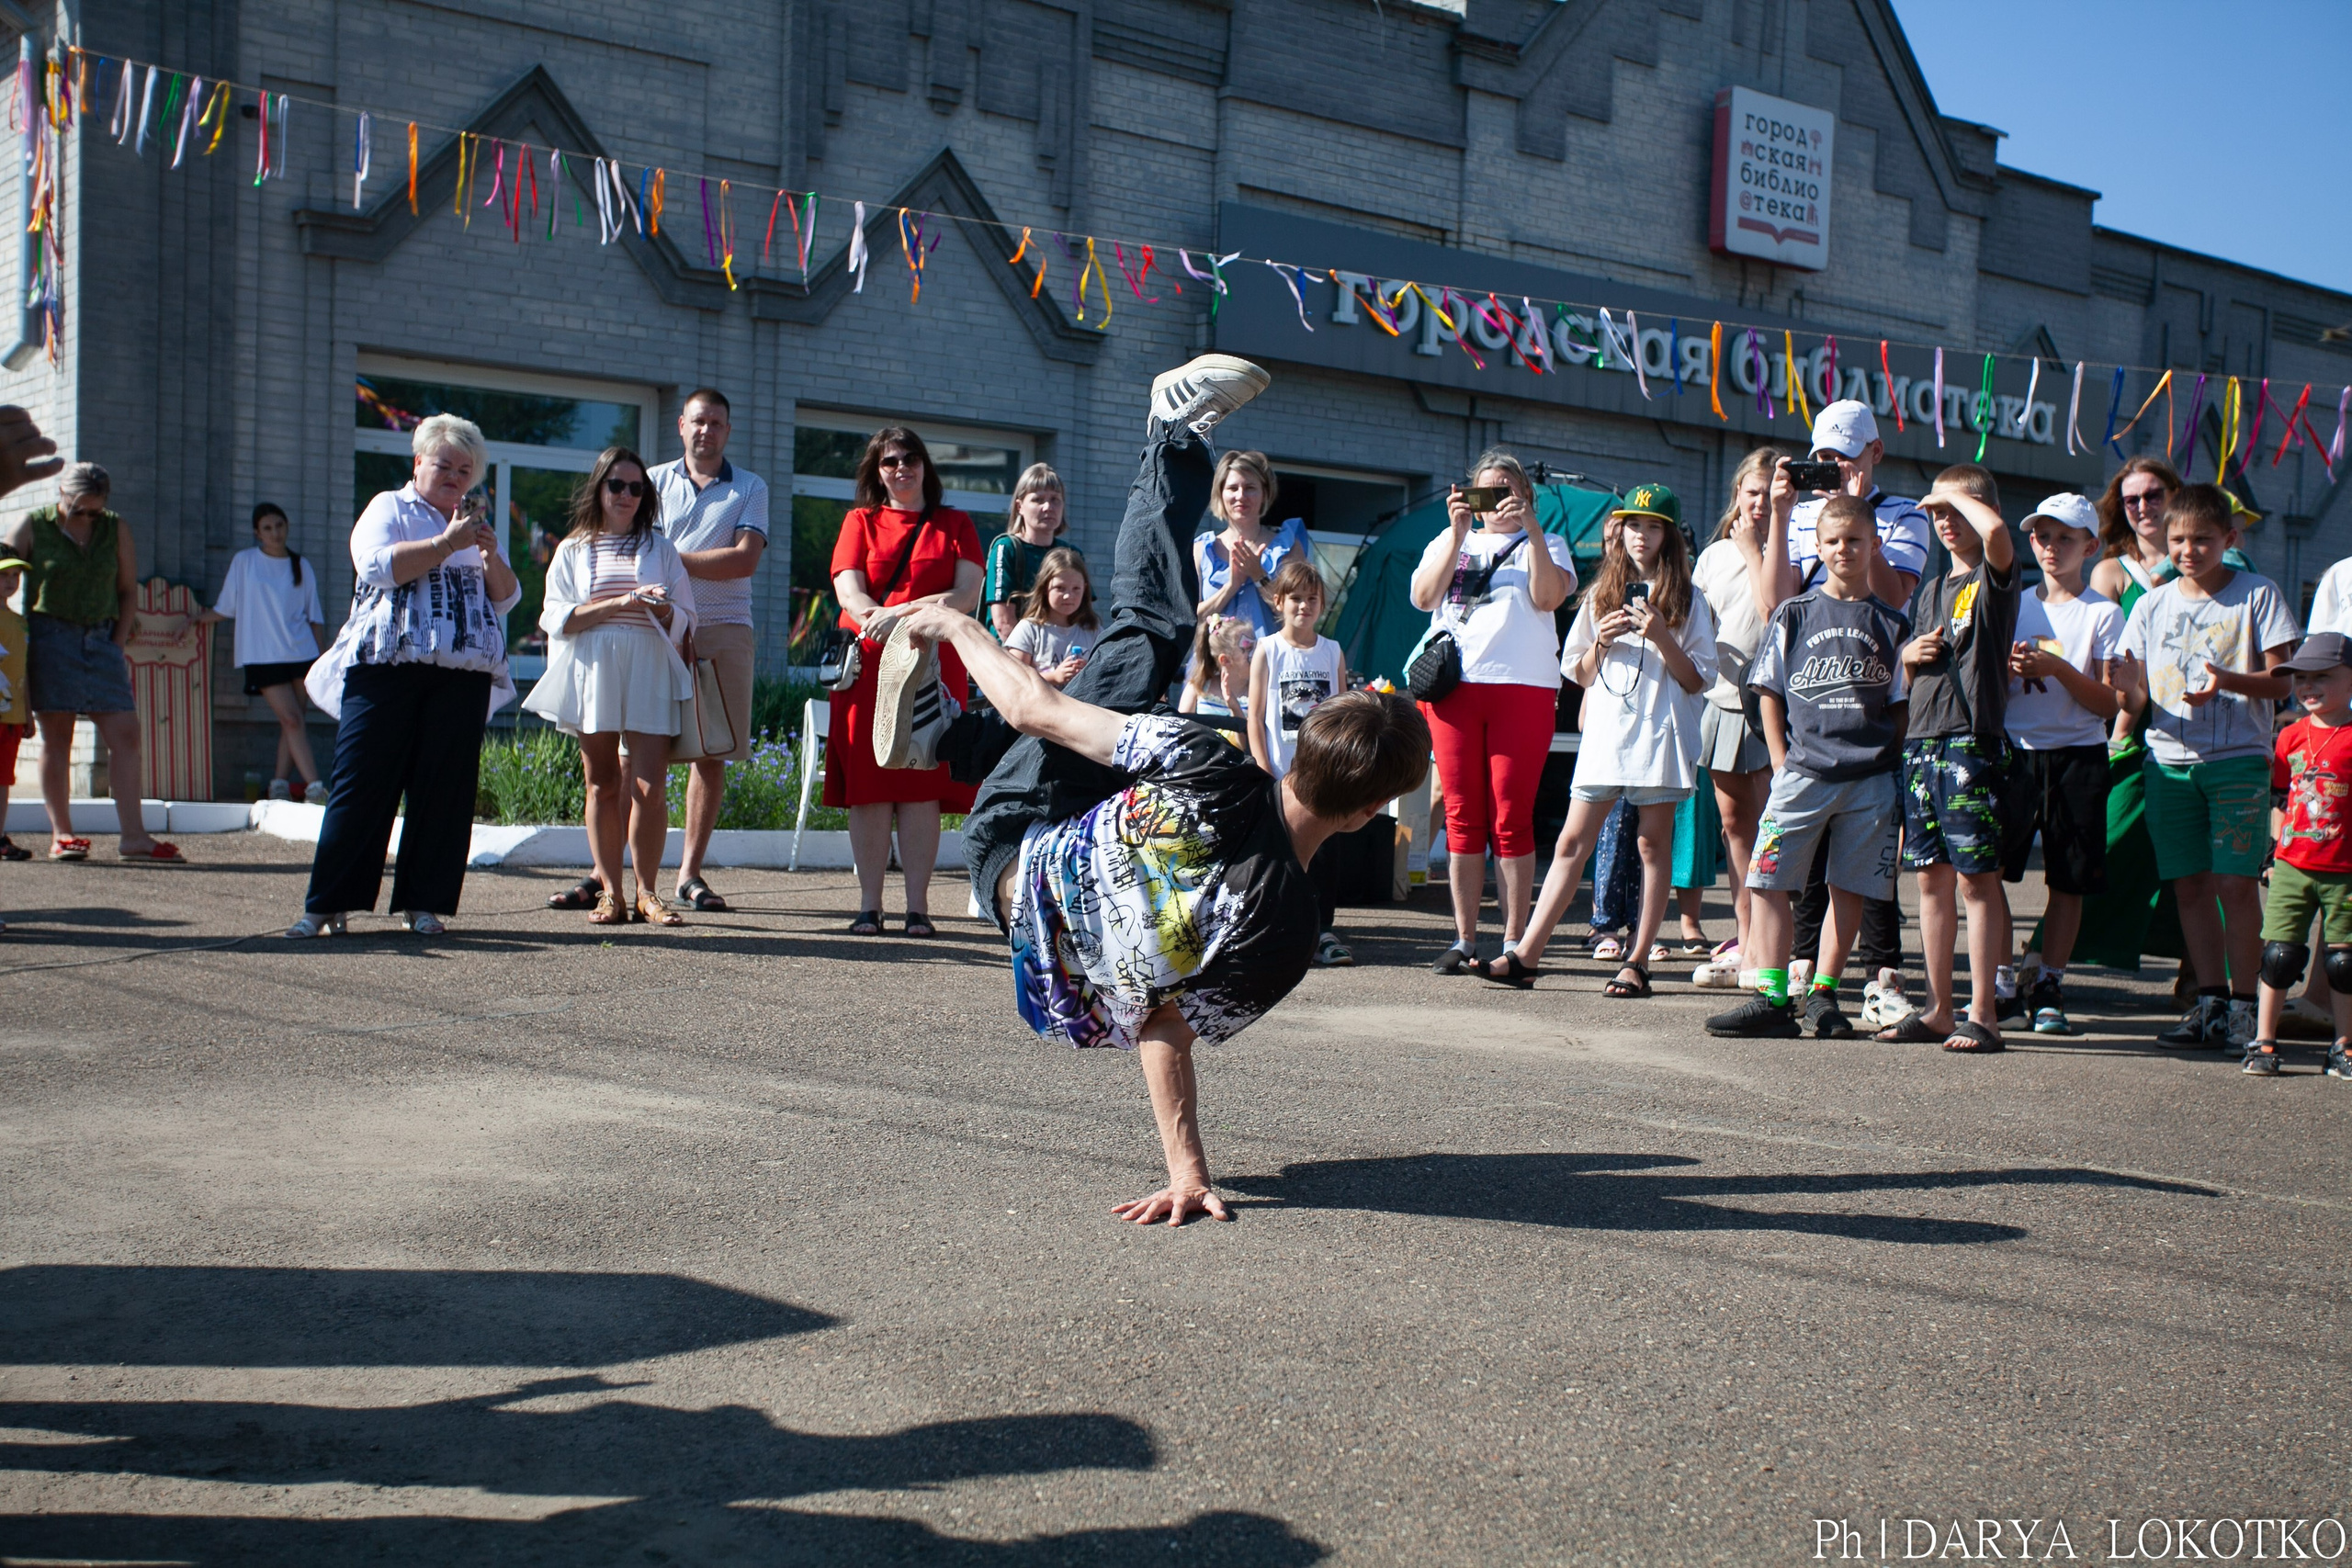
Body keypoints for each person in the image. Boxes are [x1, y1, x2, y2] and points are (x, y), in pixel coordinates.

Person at [878, 353, 1428, 1226]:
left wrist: (949, 623)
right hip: (1036, 919)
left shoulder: (1213, 764)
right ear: (1368, 814)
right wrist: (1187, 1170)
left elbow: (1034, 708)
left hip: (1015, 839)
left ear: (1305, 744)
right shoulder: (1291, 931)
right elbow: (1165, 1022)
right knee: (1142, 661)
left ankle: (1170, 433)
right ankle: (941, 737)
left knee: (1146, 636)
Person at [288, 414, 520, 937]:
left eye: (464, 470)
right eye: (444, 465)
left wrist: (486, 552)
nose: (454, 477)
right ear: (418, 463)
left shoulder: (472, 525)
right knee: (361, 784)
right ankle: (326, 905)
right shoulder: (389, 507)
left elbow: (507, 598)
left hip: (460, 675)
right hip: (386, 668)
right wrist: (445, 544)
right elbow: (375, 566)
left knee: (443, 793)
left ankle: (424, 903)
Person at [1480, 484, 1713, 998]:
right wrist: (1602, 642)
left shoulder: (1690, 598)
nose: (1641, 536)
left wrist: (1661, 636)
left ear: (1669, 536)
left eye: (1653, 527)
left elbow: (1698, 679)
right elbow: (1580, 674)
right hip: (1608, 735)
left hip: (1659, 735)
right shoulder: (1601, 593)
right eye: (1634, 525)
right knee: (1571, 842)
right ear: (1621, 531)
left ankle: (1637, 961)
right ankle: (1525, 955)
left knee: (1652, 844)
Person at [1707, 495, 1910, 1039]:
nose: (1844, 550)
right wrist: (1779, 759)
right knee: (1767, 877)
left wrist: (1888, 763)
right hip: (1801, 774)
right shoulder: (1793, 613)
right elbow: (1768, 692)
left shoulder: (1892, 624)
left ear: (1875, 545)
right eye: (1833, 541)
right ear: (1817, 548)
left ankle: (1823, 994)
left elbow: (1899, 705)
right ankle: (1774, 997)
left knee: (1849, 886)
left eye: (1855, 540)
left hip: (1869, 780)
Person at [2115, 482, 2301, 1051]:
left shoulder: (2258, 595)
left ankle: (2246, 1008)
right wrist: (2124, 687)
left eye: (2201, 539)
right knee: (2190, 888)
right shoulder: (2150, 605)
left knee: (2235, 886)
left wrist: (2228, 682)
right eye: (2178, 540)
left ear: (2230, 538)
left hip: (2239, 761)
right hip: (2167, 762)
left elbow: (2284, 683)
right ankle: (2211, 1003)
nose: (2187, 550)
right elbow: (2133, 694)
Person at [1783, 403, 1931, 1028]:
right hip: (1814, 692)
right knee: (1810, 847)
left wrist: (1858, 515)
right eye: (1822, 457)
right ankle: (1803, 970)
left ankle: (1881, 975)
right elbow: (1779, 603)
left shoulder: (1904, 514)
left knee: (1870, 847)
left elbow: (1893, 597)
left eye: (1844, 456)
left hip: (1874, 694)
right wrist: (1786, 515)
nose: (1832, 467)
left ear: (1875, 453)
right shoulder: (1802, 516)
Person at [1407, 449, 1577, 975]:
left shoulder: (1548, 542)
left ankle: (1513, 940)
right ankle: (1463, 939)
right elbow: (1423, 598)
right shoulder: (1450, 539)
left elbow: (1548, 599)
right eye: (1487, 491)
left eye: (1508, 490)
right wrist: (1458, 534)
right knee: (1461, 814)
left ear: (1525, 494)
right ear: (1470, 497)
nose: (1498, 500)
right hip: (1456, 689)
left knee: (1511, 815)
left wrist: (1532, 528)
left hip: (1523, 689)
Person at [523, 447, 698, 927]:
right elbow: (556, 617)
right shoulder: (573, 548)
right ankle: (611, 893)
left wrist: (663, 609)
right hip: (594, 667)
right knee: (602, 783)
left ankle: (648, 893)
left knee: (650, 786)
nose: (626, 495)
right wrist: (621, 602)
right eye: (616, 485)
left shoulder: (661, 549)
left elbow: (688, 616)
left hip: (649, 665)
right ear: (599, 488)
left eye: (636, 488)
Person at [1880, 463, 2019, 1052]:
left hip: (1970, 740)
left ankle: (1982, 1012)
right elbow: (1909, 680)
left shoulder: (1995, 576)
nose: (1943, 521)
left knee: (1975, 880)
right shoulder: (1932, 589)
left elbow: (1998, 536)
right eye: (1936, 513)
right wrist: (1909, 659)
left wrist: (1958, 497)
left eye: (1953, 510)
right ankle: (1939, 1009)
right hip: (1922, 742)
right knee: (1930, 880)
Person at [826, 425, 984, 937]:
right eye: (890, 461)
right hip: (869, 665)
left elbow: (966, 595)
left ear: (925, 465)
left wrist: (903, 613)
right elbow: (849, 592)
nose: (901, 468)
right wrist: (885, 617)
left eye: (910, 458)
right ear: (877, 471)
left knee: (921, 786)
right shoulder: (860, 521)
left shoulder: (955, 523)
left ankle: (919, 907)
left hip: (933, 665)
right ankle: (869, 906)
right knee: (870, 789)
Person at [6, 463, 178, 863]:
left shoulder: (115, 528)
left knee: (126, 734)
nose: (85, 517)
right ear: (61, 495)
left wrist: (116, 643)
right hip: (50, 638)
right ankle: (62, 835)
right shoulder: (33, 525)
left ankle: (133, 837)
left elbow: (127, 590)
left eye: (94, 512)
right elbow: (3, 567)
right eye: (77, 509)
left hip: (101, 641)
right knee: (57, 738)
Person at [1999, 495, 2123, 1036]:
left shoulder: (2103, 613)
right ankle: (2001, 981)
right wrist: (2007, 670)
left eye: (2066, 538)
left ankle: (2049, 982)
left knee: (2068, 880)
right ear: (2030, 542)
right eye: (2043, 536)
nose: (2052, 547)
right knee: (1988, 873)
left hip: (2078, 754)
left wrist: (2057, 668)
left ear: (2090, 547)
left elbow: (2109, 703)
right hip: (2013, 751)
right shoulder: (2013, 603)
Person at [648, 389, 768, 916]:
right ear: (681, 425)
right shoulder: (650, 481)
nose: (706, 431)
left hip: (724, 629)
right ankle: (619, 874)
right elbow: (637, 552)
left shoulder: (751, 487)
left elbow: (744, 560)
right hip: (654, 628)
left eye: (716, 423)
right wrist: (681, 564)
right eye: (698, 421)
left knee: (711, 752)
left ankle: (688, 875)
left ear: (727, 430)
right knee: (639, 751)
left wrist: (672, 559)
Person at [1690, 446, 1791, 987]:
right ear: (1737, 493)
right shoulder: (1712, 556)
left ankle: (1772, 947)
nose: (1758, 502)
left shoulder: (1792, 544)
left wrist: (1756, 550)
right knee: (1734, 826)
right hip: (1723, 700)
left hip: (1773, 705)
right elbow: (1699, 623)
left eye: (1769, 494)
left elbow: (1775, 610)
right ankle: (1745, 936)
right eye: (1751, 492)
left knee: (1775, 828)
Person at [2240, 633, 2352, 1078]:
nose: (2308, 686)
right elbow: (2281, 797)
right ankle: (2263, 1041)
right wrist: (2272, 853)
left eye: (2322, 677)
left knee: (2344, 964)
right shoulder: (2289, 736)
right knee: (2279, 956)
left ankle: (2343, 1046)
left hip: (2344, 868)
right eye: (2301, 678)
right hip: (2293, 864)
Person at [1248, 557, 1354, 967]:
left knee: (1325, 855)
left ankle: (1322, 931)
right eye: (1295, 598)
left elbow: (1342, 714)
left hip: (1324, 776)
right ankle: (1281, 932)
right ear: (1279, 602)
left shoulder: (1332, 651)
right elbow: (1255, 716)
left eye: (1312, 598)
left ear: (1322, 604)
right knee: (1281, 856)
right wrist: (1263, 767)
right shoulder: (1268, 649)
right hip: (1280, 775)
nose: (1304, 606)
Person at [190, 502, 327, 804]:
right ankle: (315, 788)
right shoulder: (245, 561)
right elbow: (225, 608)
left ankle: (279, 785)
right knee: (292, 719)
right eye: (267, 528)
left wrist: (322, 661)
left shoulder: (301, 565)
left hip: (302, 654)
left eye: (279, 525)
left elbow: (314, 617)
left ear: (287, 526)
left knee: (294, 722)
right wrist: (192, 621)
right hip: (262, 656)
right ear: (257, 533)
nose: (275, 532)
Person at [1193, 449, 1308, 640]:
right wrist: (1231, 587)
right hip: (1214, 659)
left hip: (1269, 658)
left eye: (1250, 488)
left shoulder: (1288, 547)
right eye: (1233, 488)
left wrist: (1259, 576)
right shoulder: (1201, 550)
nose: (1241, 496)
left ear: (1265, 493)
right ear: (1220, 494)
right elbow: (1190, 620)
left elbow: (1300, 614)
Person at [986, 465, 1076, 640]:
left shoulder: (1071, 554)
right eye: (1038, 500)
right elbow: (1003, 623)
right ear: (1019, 506)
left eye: (1055, 499)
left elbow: (1081, 618)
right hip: (1010, 652)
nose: (1048, 507)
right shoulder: (1007, 548)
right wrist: (1030, 657)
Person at [1003, 547, 1096, 687]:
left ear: (1085, 588)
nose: (1068, 596)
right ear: (1045, 587)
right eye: (1060, 588)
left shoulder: (1093, 631)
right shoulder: (1029, 629)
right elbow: (1014, 679)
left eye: (1076, 589)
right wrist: (1054, 677)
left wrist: (1089, 673)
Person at [1177, 614, 1255, 739]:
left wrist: (1235, 708)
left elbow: (1247, 745)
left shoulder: (1258, 694)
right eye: (1248, 648)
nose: (1255, 653)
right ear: (1225, 660)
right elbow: (1180, 733)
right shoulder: (1197, 688)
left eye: (1256, 646)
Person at [0, 554, 29, 887]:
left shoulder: (20, 622)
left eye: (16, 576)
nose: (10, 582)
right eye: (4, 575)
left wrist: (28, 712)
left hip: (12, 716)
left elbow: (24, 671)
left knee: (3, 779)